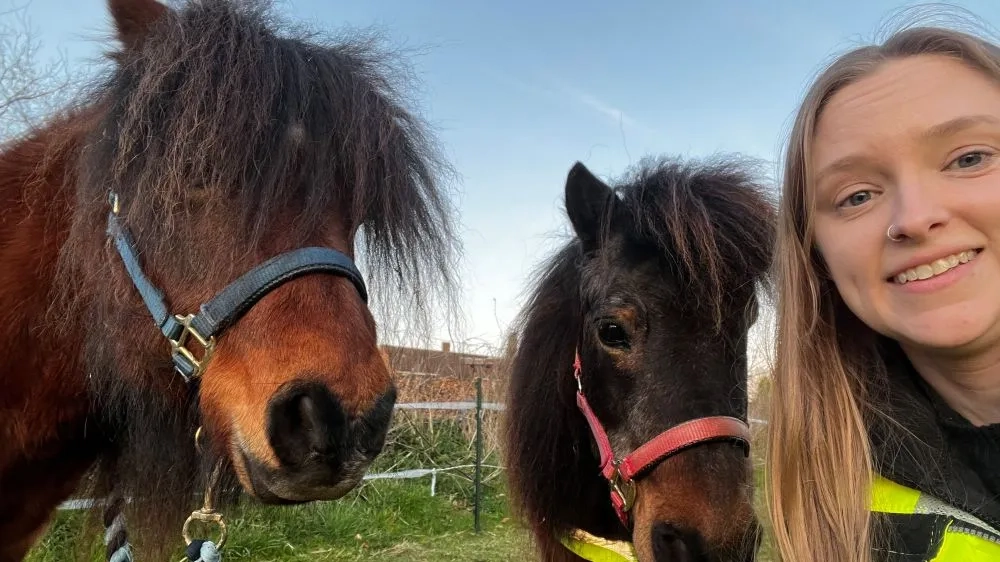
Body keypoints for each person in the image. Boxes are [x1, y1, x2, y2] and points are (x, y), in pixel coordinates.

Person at [764, 14, 1000, 562]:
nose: (914, 218)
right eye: (857, 196)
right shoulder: (839, 525)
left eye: (970, 158)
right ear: (816, 258)